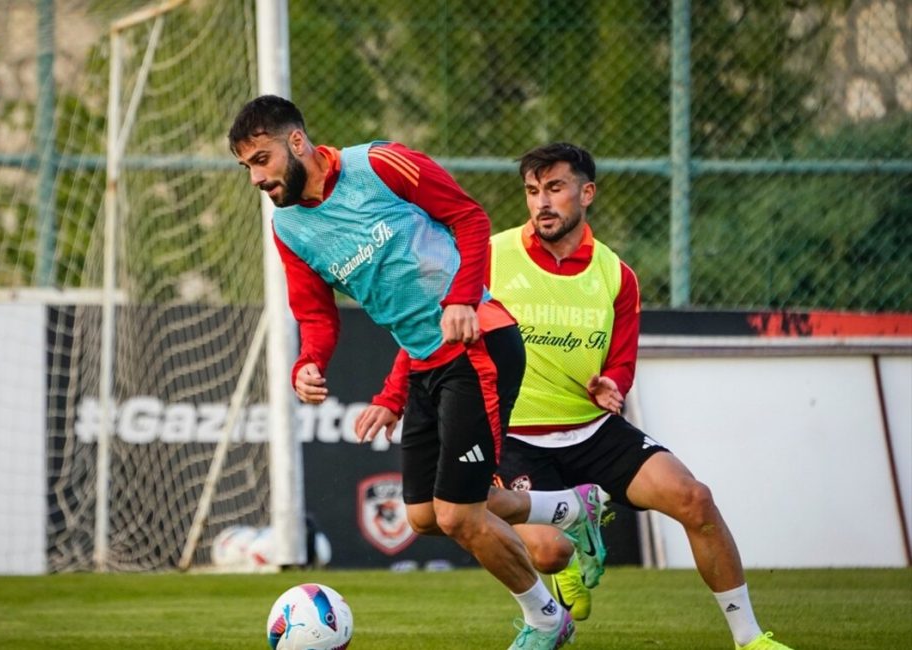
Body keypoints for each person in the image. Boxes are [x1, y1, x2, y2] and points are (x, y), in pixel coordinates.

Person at [358, 142, 794, 650]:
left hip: (591, 428)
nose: (542, 202)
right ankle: (570, 526)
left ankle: (750, 638)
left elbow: (621, 360)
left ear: (587, 193)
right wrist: (392, 396)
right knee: (548, 554)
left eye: (556, 188)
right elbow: (427, 331)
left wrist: (614, 383)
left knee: (695, 499)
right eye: (532, 191)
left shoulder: (616, 275)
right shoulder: (489, 256)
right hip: (516, 434)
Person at [228, 95, 604, 649]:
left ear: (297, 143)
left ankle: (547, 620)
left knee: (460, 516)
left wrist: (462, 301)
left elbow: (470, 218)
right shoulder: (290, 229)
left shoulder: (380, 164)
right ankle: (576, 507)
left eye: (262, 159)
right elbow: (315, 313)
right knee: (425, 515)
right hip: (425, 363)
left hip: (479, 346)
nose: (257, 177)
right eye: (246, 167)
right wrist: (309, 363)